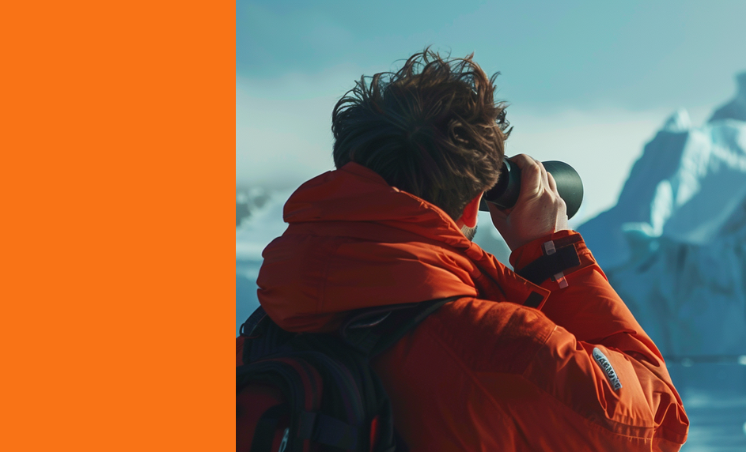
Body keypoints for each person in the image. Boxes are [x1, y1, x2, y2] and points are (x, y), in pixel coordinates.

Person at [249, 49, 688, 450]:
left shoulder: (265, 331)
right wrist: (551, 252)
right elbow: (660, 421)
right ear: (477, 203)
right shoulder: (504, 349)